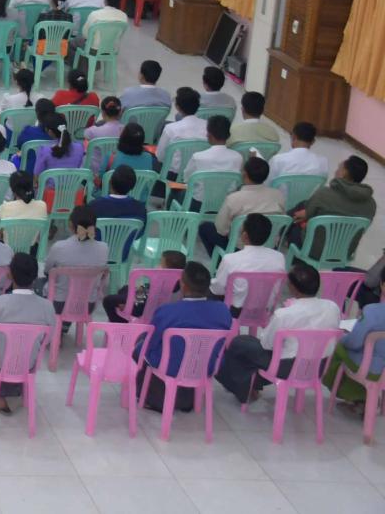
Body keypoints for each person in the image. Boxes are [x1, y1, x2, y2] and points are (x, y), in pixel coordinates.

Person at [215, 261, 340, 404]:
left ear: (293, 287)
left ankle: (241, 386)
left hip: (287, 368)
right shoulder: (332, 307)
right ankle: (250, 384)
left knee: (239, 343)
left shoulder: (285, 314)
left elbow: (266, 344)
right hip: (319, 366)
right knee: (248, 350)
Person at [139, 261, 232, 411]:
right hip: (206, 366)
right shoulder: (223, 310)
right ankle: (186, 397)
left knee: (140, 345)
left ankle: (151, 395)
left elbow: (150, 344)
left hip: (170, 368)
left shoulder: (167, 311)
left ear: (183, 285)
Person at [0, 252, 56, 413]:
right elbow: (48, 339)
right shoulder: (47, 306)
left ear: (9, 274)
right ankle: (13, 388)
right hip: (27, 364)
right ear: (35, 277)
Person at [199, 155, 283, 256]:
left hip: (239, 248)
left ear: (245, 174)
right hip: (269, 245)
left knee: (205, 228)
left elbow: (221, 229)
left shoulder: (233, 198)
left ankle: (222, 261)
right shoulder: (278, 195)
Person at [293, 155, 377, 253]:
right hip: (344, 252)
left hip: (314, 249)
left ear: (344, 173)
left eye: (339, 168)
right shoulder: (371, 204)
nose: (336, 171)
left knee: (295, 218)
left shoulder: (324, 194)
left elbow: (307, 214)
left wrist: (307, 215)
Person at [39, 205, 106, 310]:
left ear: (70, 224)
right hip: (88, 305)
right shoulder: (104, 248)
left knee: (38, 283)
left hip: (59, 303)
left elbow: (47, 271)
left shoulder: (59, 247)